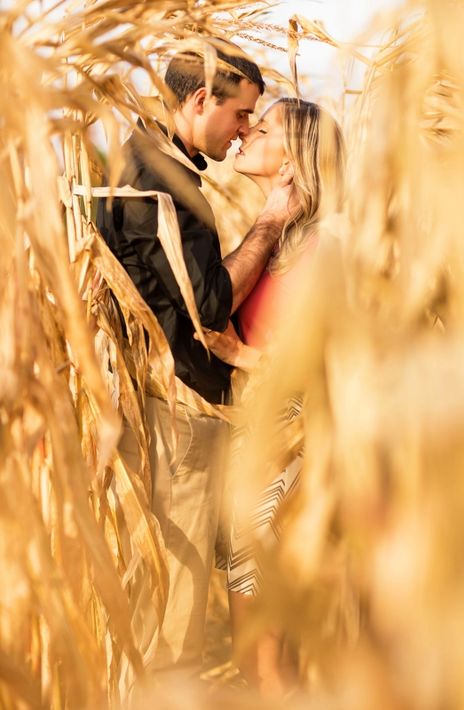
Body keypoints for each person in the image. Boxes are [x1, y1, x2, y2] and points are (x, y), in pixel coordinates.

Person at [96, 42, 297, 677]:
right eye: (242, 115)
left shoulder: (142, 161)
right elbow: (208, 307)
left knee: (166, 604)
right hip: (180, 416)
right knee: (173, 622)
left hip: (163, 408)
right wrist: (269, 223)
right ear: (202, 100)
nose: (243, 131)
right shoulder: (165, 182)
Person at [200, 98, 345, 698]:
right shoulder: (275, 241)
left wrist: (241, 356)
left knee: (260, 659)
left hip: (287, 441)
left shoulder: (325, 248)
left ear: (292, 162)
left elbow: (327, 363)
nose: (245, 134)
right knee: (254, 653)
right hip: (255, 437)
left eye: (261, 129)